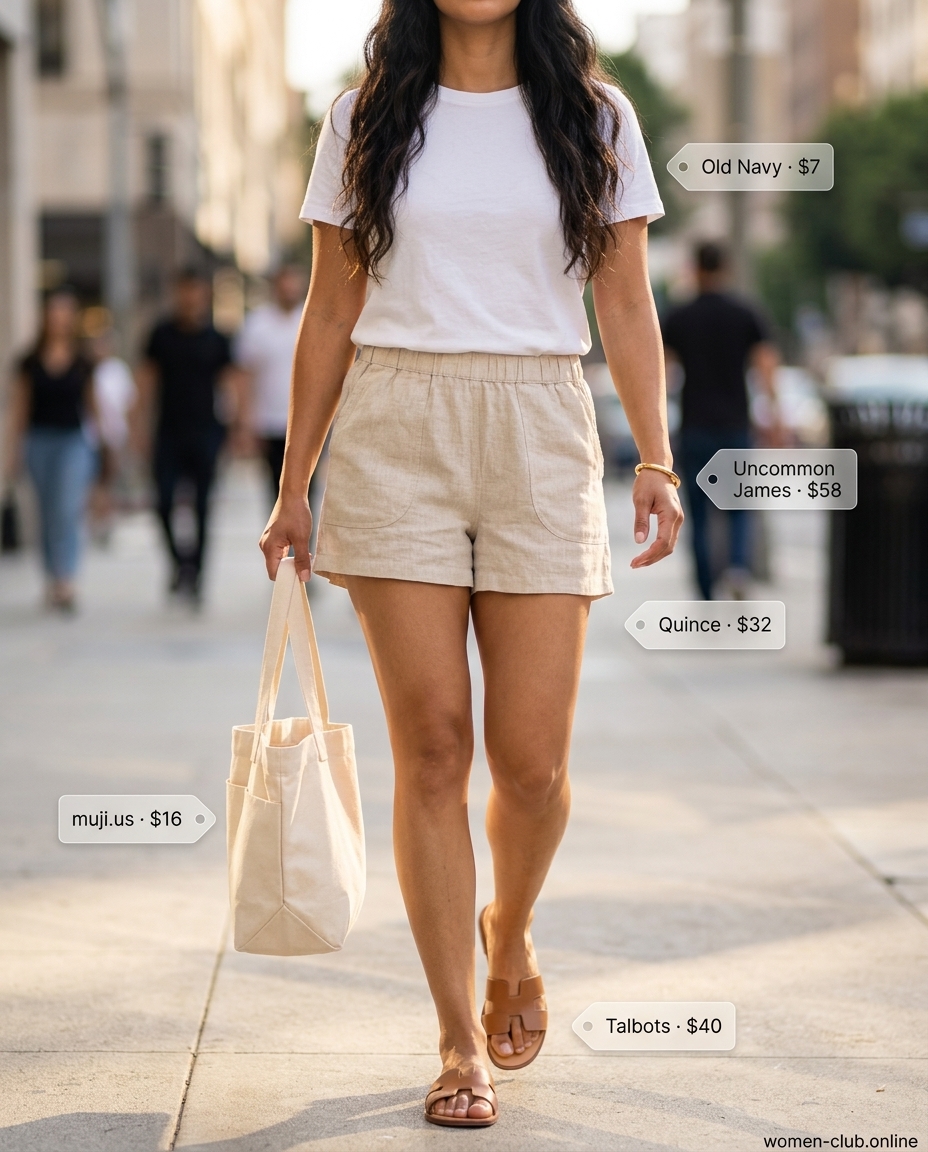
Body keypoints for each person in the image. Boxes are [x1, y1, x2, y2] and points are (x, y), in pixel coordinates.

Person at [260, 0, 683, 1129]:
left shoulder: (594, 118)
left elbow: (625, 296)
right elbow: (332, 306)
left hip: (543, 421)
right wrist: (295, 482)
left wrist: (657, 455)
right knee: (435, 746)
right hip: (398, 424)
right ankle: (456, 1038)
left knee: (533, 763)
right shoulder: (363, 117)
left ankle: (512, 932)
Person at [662, 242, 781, 600]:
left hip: (695, 425)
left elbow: (664, 375)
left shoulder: (679, 316)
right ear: (726, 268)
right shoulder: (745, 313)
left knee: (697, 510)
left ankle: (704, 587)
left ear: (695, 269)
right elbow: (765, 367)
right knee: (738, 507)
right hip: (734, 426)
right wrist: (773, 413)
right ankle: (738, 569)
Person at [138, 269, 233, 601]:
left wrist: (237, 431)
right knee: (163, 502)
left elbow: (230, 386)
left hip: (207, 433)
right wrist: (139, 430)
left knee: (203, 507)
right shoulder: (160, 335)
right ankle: (180, 563)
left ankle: (197, 576)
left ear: (204, 295)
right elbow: (146, 384)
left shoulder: (217, 339)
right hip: (167, 433)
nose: (190, 298)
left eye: (195, 291)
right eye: (184, 291)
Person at [3, 288, 97, 612]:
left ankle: (66, 579)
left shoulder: (83, 361)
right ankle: (50, 574)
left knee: (66, 509)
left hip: (73, 441)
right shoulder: (28, 361)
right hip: (38, 441)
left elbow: (92, 407)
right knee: (44, 512)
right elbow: (20, 409)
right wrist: (13, 453)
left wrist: (102, 447)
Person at [233, 264, 309, 502]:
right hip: (268, 420)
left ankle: (303, 537)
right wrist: (245, 420)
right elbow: (244, 374)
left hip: (306, 421)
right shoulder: (257, 324)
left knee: (306, 486)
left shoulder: (310, 320)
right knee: (275, 486)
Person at [88, 328, 136, 544]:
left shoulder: (117, 371)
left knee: (108, 479)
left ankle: (105, 520)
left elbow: (128, 402)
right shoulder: (88, 371)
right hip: (91, 436)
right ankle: (97, 519)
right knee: (96, 480)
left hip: (114, 434)